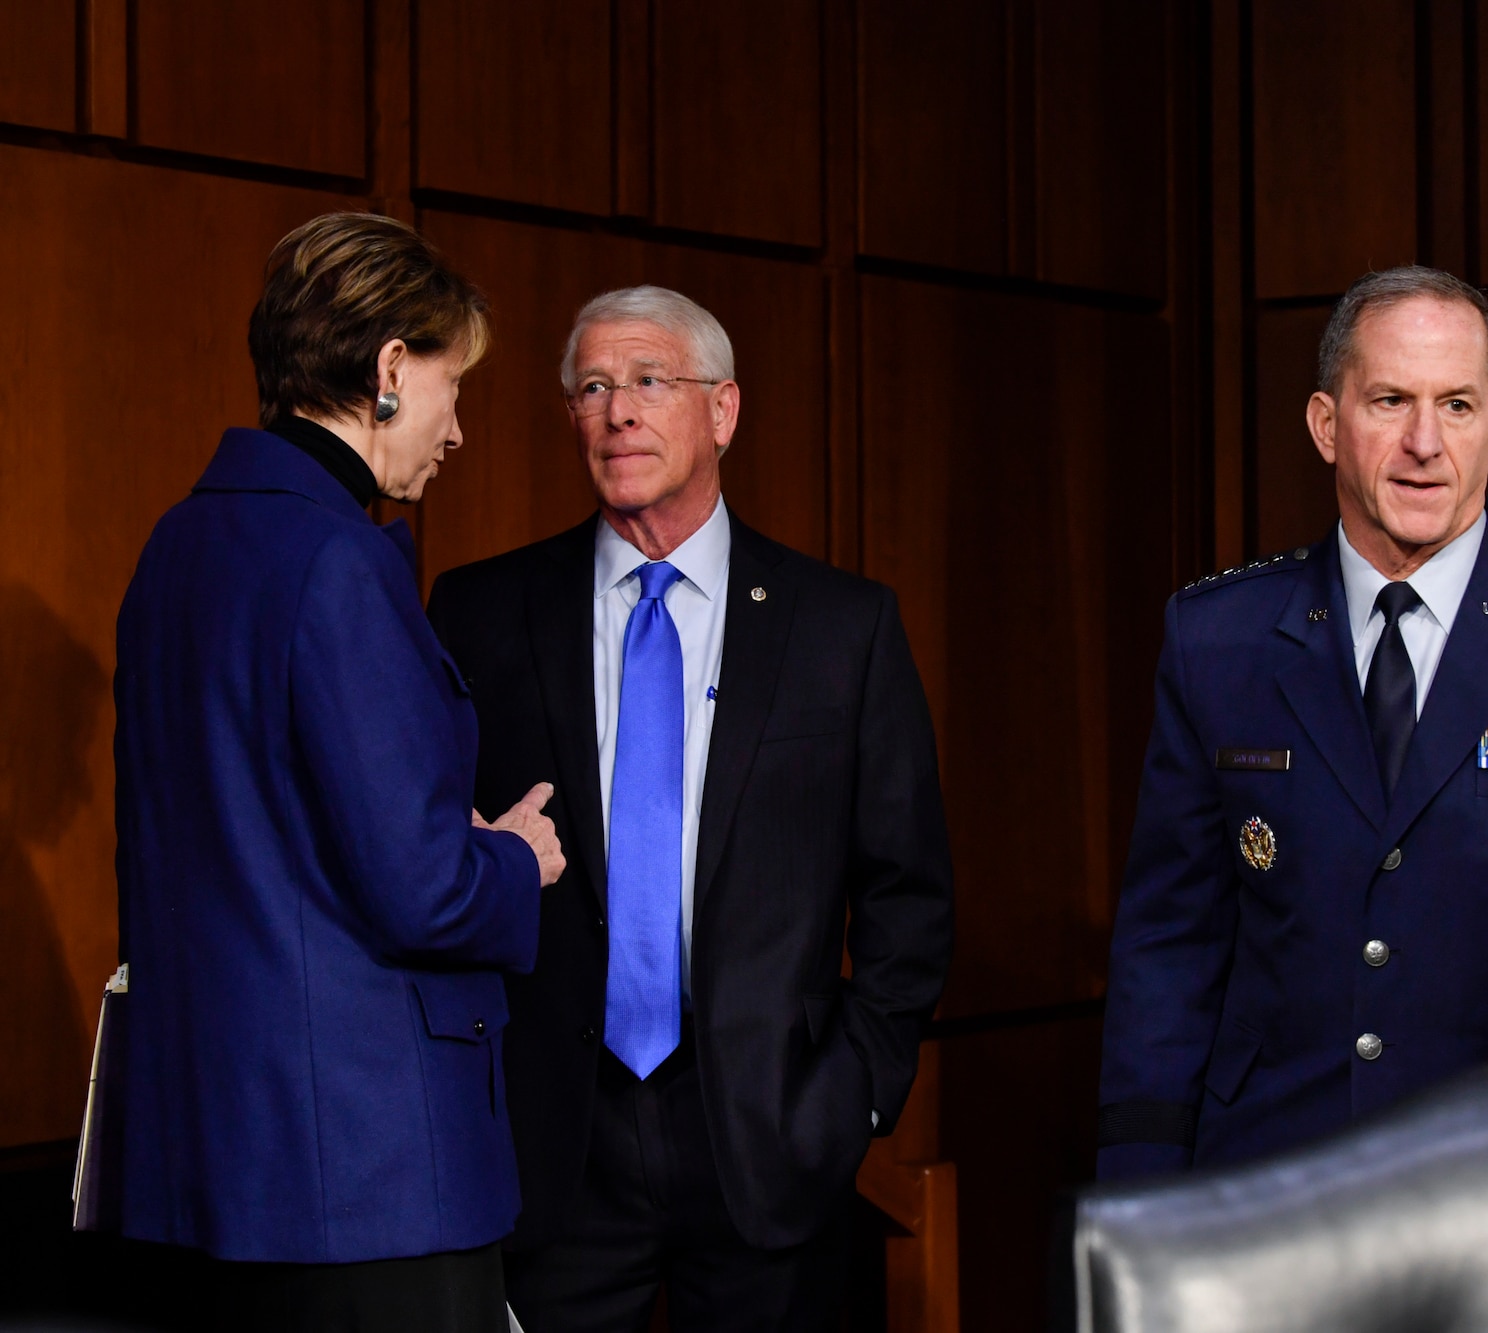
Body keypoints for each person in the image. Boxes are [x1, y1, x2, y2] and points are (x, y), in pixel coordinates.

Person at [426, 285, 954, 1331]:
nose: (618, 410)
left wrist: (848, 1098)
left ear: (722, 411)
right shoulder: (480, 611)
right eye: (592, 386)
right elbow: (431, 856)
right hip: (553, 1148)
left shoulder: (840, 627)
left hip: (768, 1138)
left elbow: (910, 893)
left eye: (649, 381)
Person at [114, 212, 565, 1329]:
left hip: (215, 1166)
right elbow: (422, 888)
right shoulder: (339, 562)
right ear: (391, 371)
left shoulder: (174, 546)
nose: (457, 432)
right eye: (455, 386)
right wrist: (513, 858)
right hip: (370, 1176)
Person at [1096, 266, 1488, 1179]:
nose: (1425, 442)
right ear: (1326, 424)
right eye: (1391, 400)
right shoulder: (1220, 637)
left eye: (1459, 406)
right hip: (1277, 1172)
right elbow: (1171, 945)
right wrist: (1143, 1193)